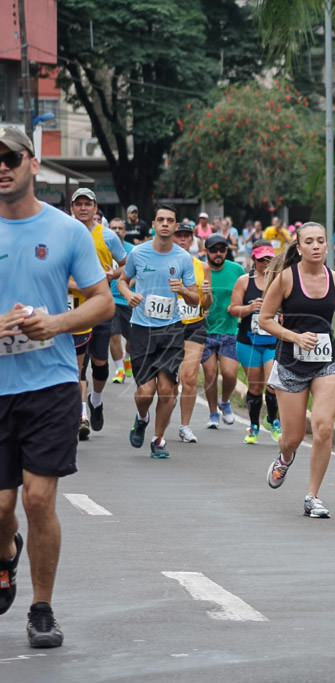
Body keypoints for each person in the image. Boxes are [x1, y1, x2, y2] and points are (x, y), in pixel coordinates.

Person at [0, 124, 114, 648]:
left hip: (51, 385)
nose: (1, 167)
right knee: (2, 508)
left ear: (31, 162)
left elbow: (101, 301)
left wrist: (56, 323)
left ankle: (42, 608)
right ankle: (6, 554)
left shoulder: (68, 231)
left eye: (9, 158)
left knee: (40, 499)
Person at [260, 223, 335, 518]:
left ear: (327, 246)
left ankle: (312, 495)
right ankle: (285, 456)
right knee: (292, 437)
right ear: (299, 246)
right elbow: (266, 319)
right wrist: (295, 337)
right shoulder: (285, 280)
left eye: (321, 241)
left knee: (324, 427)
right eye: (310, 241)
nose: (316, 246)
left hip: (326, 361)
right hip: (291, 363)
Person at [119, 205, 199, 458]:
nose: (165, 224)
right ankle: (142, 418)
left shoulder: (183, 258)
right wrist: (129, 294)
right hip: (142, 329)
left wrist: (183, 291)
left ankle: (158, 439)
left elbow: (196, 299)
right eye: (161, 220)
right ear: (153, 224)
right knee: (145, 393)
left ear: (176, 226)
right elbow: (121, 280)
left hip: (171, 329)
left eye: (170, 221)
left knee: (166, 390)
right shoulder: (138, 253)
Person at [67, 187, 127, 441]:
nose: (82, 208)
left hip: (101, 306)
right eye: (78, 204)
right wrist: (78, 286)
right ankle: (81, 416)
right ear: (72, 208)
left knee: (100, 364)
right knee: (77, 368)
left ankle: (96, 400)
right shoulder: (64, 234)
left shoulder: (108, 236)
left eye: (87, 204)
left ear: (95, 208)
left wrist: (114, 275)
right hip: (74, 308)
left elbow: (126, 265)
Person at [229, 240, 282, 444]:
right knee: (255, 387)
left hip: (272, 341)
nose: (266, 263)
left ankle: (272, 419)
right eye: (262, 260)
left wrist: (279, 312)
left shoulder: (281, 280)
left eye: (270, 259)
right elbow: (233, 309)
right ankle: (254, 426)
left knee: (273, 384)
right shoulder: (244, 281)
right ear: (254, 260)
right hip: (248, 341)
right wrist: (249, 309)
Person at [172, 223, 212, 443]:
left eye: (187, 236)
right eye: (179, 236)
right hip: (168, 325)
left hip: (195, 324)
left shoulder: (202, 267)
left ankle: (185, 426)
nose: (183, 240)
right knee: (168, 381)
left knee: (189, 378)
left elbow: (208, 305)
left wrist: (206, 295)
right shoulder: (163, 263)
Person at [201, 234, 246, 428]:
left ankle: (225, 401)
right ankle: (213, 413)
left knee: (230, 373)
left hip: (230, 329)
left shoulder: (237, 270)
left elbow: (247, 292)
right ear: (206, 252)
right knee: (210, 374)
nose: (218, 254)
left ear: (227, 251)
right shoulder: (200, 269)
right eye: (214, 250)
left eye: (222, 249)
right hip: (205, 330)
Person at [107, 217, 135, 384]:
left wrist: (127, 286)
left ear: (125, 231)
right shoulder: (103, 249)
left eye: (120, 228)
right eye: (113, 228)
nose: (117, 231)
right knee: (114, 336)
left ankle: (128, 359)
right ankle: (119, 370)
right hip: (109, 301)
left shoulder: (133, 251)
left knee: (131, 339)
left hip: (129, 300)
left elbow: (137, 274)